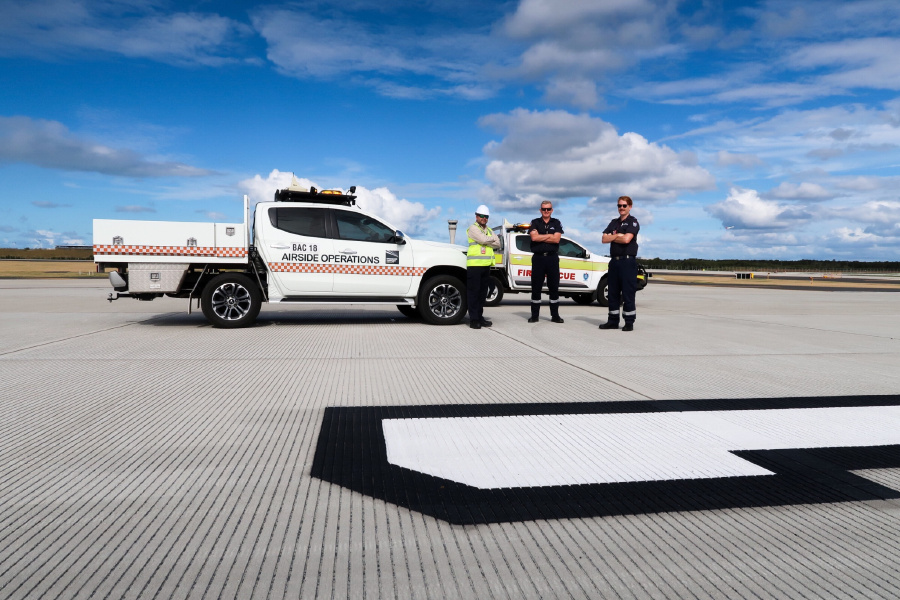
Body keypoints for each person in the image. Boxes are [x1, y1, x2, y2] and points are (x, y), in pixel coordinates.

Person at [599, 196, 640, 331]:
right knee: (613, 292)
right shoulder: (614, 223)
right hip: (614, 261)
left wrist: (614, 236)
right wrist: (618, 236)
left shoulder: (633, 222)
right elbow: (604, 239)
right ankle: (613, 320)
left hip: (627, 262)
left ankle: (629, 322)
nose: (621, 208)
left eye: (624, 206)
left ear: (630, 207)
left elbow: (627, 239)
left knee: (627, 293)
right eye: (619, 206)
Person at [527, 201, 564, 323]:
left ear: (552, 210)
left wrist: (541, 236)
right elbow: (534, 238)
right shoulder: (535, 222)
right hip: (538, 258)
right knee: (536, 287)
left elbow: (557, 239)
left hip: (552, 258)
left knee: (554, 287)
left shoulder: (556, 222)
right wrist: (549, 236)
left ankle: (555, 316)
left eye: (548, 209)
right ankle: (534, 315)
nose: (546, 211)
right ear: (540, 210)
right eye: (544, 209)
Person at [466, 204, 501, 329]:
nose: (484, 218)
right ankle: (473, 319)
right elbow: (483, 240)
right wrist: (490, 240)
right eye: (481, 216)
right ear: (476, 216)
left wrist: (488, 240)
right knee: (473, 293)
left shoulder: (489, 230)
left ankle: (480, 317)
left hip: (486, 266)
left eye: (486, 216)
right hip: (474, 266)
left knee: (482, 294)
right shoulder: (473, 228)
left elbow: (498, 243)